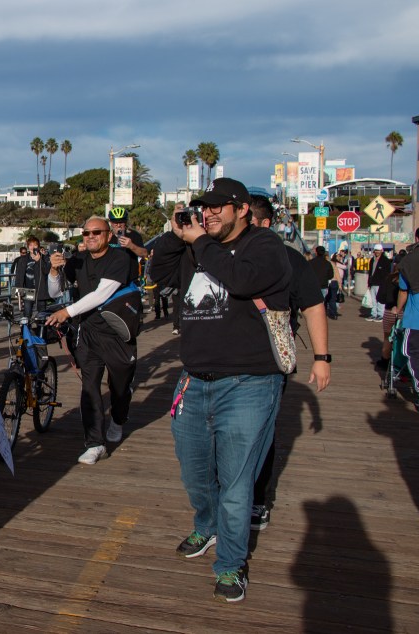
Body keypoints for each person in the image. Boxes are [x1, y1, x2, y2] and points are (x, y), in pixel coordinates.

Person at [149, 178, 291, 604]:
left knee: (235, 481)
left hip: (249, 382)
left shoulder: (264, 245)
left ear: (242, 209)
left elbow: (241, 281)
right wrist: (175, 235)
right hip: (194, 380)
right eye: (203, 207)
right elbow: (157, 276)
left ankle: (230, 564)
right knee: (194, 472)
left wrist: (200, 242)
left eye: (217, 207)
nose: (207, 214)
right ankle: (207, 525)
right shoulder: (197, 246)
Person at [247, 195, 330, 532]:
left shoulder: (289, 258)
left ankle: (257, 498)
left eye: (247, 219)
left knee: (260, 433)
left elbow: (313, 306)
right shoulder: (221, 255)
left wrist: (321, 358)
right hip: (219, 363)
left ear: (264, 224)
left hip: (268, 364)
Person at [45, 216, 138, 465]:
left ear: (109, 234)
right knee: (89, 387)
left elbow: (101, 294)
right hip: (88, 332)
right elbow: (55, 291)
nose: (91, 237)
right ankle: (95, 443)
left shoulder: (120, 258)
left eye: (97, 232)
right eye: (86, 233)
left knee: (120, 387)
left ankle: (118, 419)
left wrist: (67, 312)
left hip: (118, 332)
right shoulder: (78, 259)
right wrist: (54, 270)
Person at [397, 225, 419, 412]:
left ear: (417, 239)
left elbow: (403, 291)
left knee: (415, 354)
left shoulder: (409, 260)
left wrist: (397, 309)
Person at [11, 236, 51, 318]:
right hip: (27, 291)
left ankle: (41, 326)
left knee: (42, 314)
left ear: (38, 246)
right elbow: (19, 275)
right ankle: (26, 326)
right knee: (27, 314)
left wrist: (39, 260)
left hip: (41, 290)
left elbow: (46, 271)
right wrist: (17, 292)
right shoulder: (23, 259)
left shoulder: (44, 258)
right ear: (28, 247)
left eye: (35, 245)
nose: (33, 247)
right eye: (31, 245)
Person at [107, 207, 148, 283]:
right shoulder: (106, 236)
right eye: (115, 222)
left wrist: (131, 246)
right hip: (111, 278)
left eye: (121, 222)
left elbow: (144, 254)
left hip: (130, 279)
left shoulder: (134, 235)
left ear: (125, 222)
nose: (118, 225)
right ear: (111, 223)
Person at [308, 246, 338, 319]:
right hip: (324, 285)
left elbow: (306, 273)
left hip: (313, 285)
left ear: (316, 252)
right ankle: (320, 316)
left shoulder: (311, 263)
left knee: (313, 301)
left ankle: (314, 315)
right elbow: (331, 275)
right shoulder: (327, 263)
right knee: (321, 302)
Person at [367, 244, 390, 321]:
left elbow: (387, 273)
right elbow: (370, 272)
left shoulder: (385, 261)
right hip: (373, 283)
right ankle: (373, 314)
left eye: (378, 250)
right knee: (373, 300)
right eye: (376, 250)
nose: (377, 252)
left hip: (381, 284)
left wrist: (385, 283)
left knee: (380, 300)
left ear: (382, 251)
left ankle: (380, 314)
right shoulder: (372, 260)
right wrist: (369, 283)